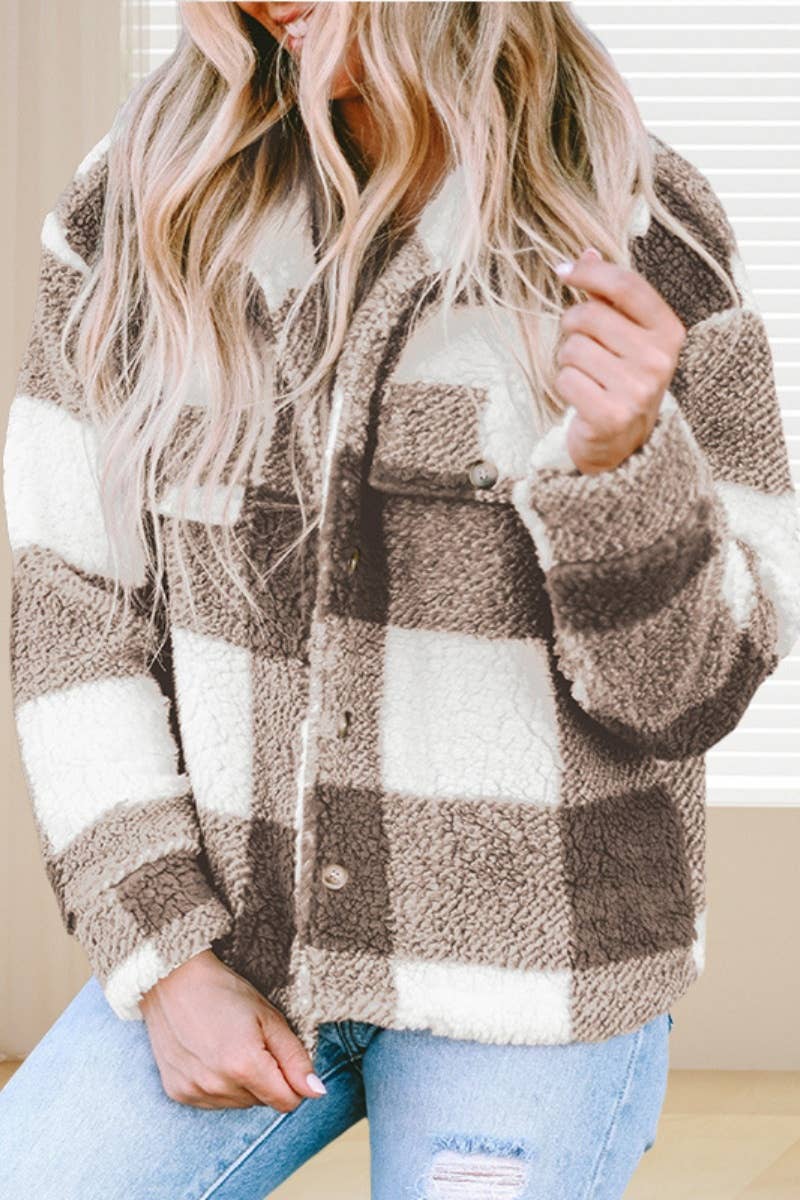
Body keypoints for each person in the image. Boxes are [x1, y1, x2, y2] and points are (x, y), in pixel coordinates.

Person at [2, 3, 798, 1198]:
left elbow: (686, 699)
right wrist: (166, 958)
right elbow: (71, 617)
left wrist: (621, 463)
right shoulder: (139, 203)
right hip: (239, 942)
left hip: (534, 979)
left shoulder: (636, 222)